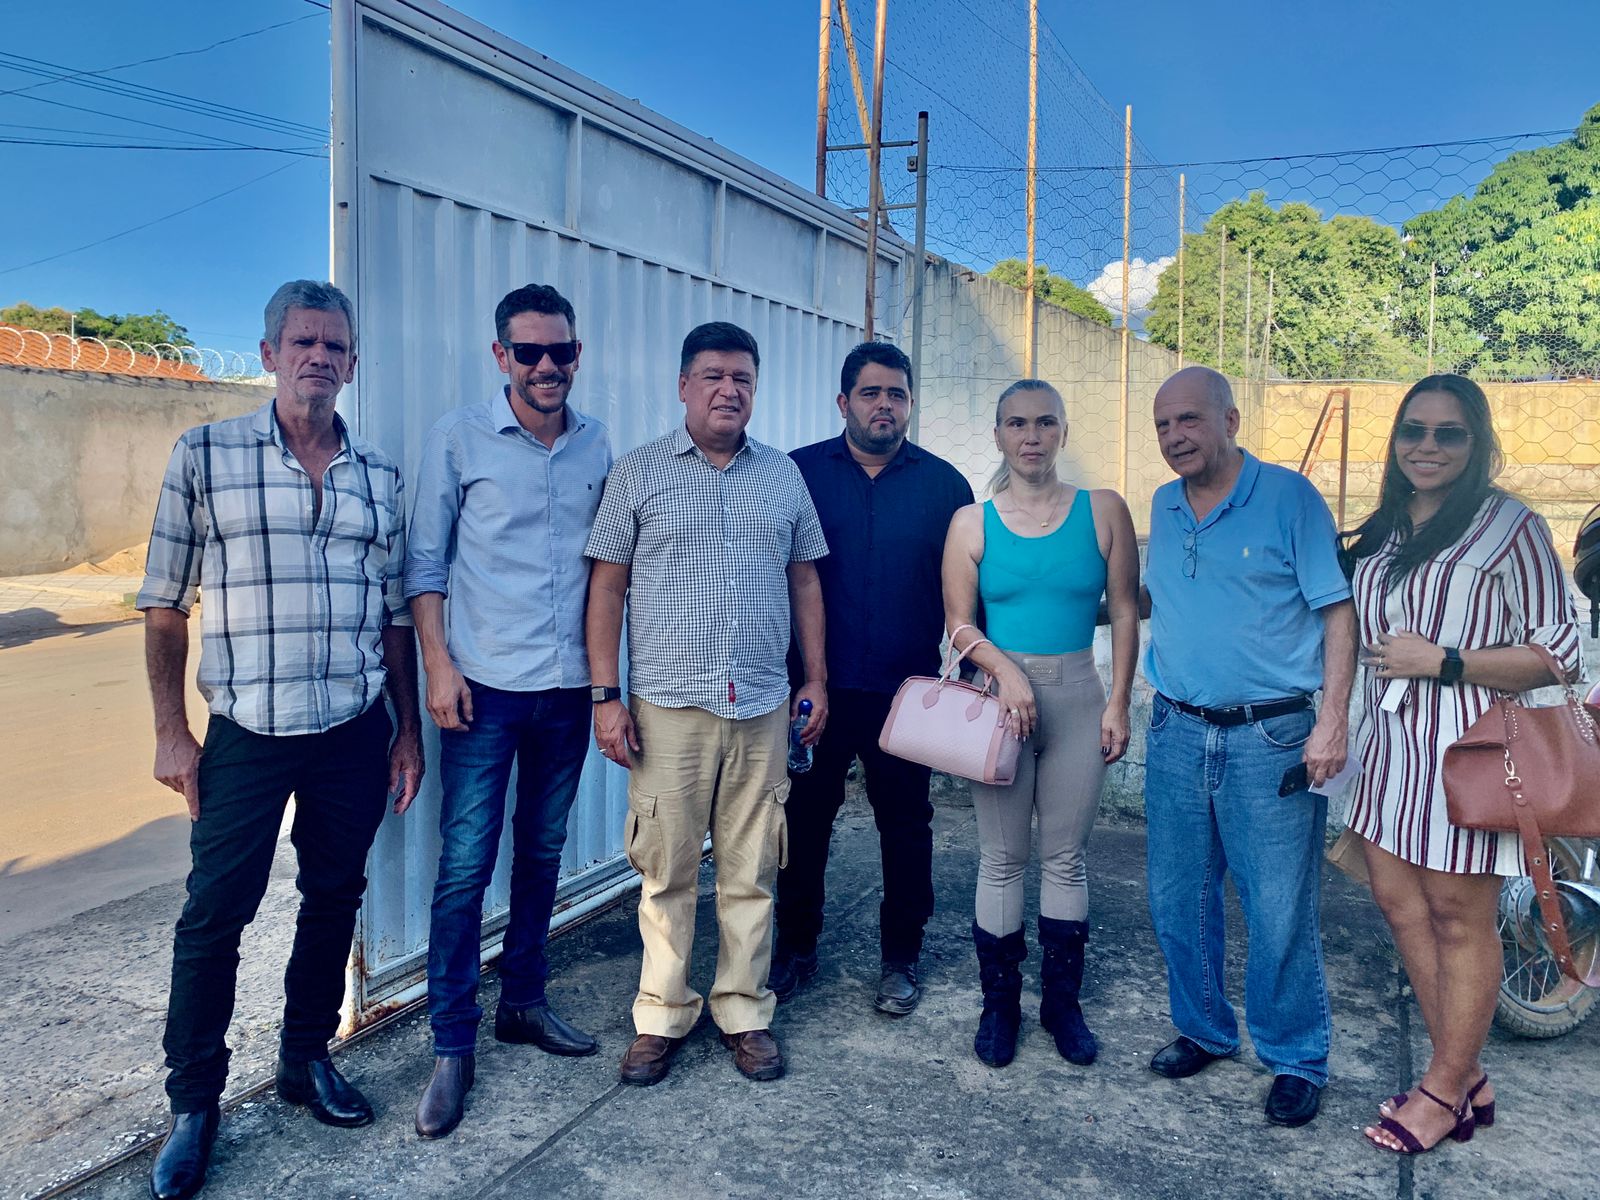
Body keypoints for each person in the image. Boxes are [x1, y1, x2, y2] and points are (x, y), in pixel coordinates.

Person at [137, 281, 423, 1200]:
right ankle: (194, 1106)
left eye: (335, 346)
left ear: (350, 362)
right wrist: (173, 732)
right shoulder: (205, 455)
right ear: (268, 355)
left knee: (334, 896)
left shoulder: (378, 477)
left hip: (350, 730)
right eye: (303, 342)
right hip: (246, 734)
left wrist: (405, 731)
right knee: (215, 914)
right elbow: (164, 605)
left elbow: (393, 620)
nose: (319, 358)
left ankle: (305, 1063)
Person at [584, 321, 829, 1087]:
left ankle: (745, 1009)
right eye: (715, 376)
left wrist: (813, 679)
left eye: (744, 379)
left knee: (753, 870)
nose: (730, 390)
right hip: (666, 709)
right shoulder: (638, 473)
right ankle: (661, 1015)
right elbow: (608, 586)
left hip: (760, 705)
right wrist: (605, 695)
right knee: (667, 872)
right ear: (685, 385)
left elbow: (805, 581)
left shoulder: (782, 476)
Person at [1342, 374, 1581, 1155]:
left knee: (1456, 914)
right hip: (1389, 748)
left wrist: (1444, 660)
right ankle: (1466, 1073)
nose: (1428, 446)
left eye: (1449, 433)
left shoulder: (1510, 525)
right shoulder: (1386, 526)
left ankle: (1444, 1087)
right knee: (1397, 902)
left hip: (1467, 750)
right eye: (1414, 430)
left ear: (1476, 443)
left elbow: (1560, 653)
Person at [405, 284, 613, 1139]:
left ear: (575, 355)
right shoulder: (457, 439)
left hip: (567, 691)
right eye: (527, 352)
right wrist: (439, 667)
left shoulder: (599, 445)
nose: (545, 366)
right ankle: (452, 1044)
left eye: (559, 351)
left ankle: (523, 1001)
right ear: (502, 358)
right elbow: (424, 566)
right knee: (463, 867)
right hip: (484, 690)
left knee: (542, 855)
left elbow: (611, 569)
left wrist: (606, 685)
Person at [1141, 365, 1355, 1129]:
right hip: (1174, 731)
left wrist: (1332, 721)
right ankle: (1203, 1028)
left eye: (1190, 420)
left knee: (1278, 908)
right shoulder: (1163, 507)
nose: (1175, 437)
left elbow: (1337, 614)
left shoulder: (1289, 499)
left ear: (1231, 420)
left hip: (1271, 736)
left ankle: (1296, 1056)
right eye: (1164, 425)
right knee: (1177, 896)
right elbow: (1144, 597)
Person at [940, 379, 1139, 1067]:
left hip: (1081, 694)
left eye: (1045, 422)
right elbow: (959, 625)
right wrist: (1009, 672)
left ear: (1061, 433)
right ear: (998, 435)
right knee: (1001, 858)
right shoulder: (972, 521)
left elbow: (1122, 610)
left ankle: (1062, 1006)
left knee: (1065, 856)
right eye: (1017, 423)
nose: (1031, 435)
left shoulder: (1103, 511)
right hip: (1002, 705)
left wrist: (1118, 701)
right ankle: (999, 1009)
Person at [771, 341, 974, 1015]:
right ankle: (795, 949)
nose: (884, 405)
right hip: (815, 692)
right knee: (804, 823)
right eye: (870, 393)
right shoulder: (797, 474)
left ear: (911, 404)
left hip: (909, 697)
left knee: (907, 827)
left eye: (896, 394)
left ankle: (901, 957)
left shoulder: (947, 488)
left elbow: (968, 591)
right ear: (843, 402)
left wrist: (973, 672)